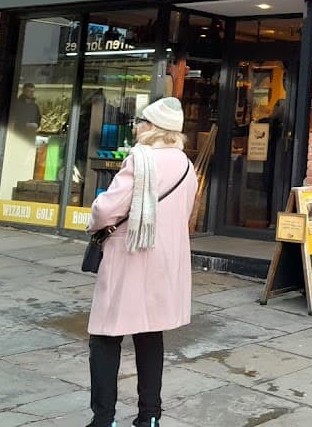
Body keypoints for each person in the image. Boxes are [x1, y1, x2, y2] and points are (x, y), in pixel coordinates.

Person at [85, 97, 197, 427]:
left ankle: (103, 419)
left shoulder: (140, 158)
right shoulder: (187, 165)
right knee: (150, 336)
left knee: (105, 336)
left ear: (154, 128)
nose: (137, 127)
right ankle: (149, 416)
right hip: (164, 260)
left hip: (130, 256)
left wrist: (94, 216)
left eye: (142, 122)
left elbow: (108, 210)